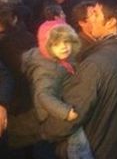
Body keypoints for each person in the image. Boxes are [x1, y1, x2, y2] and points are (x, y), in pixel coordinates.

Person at [40, 0, 117, 158]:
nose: (91, 18)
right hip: (115, 144)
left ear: (112, 22)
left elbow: (72, 114)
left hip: (94, 148)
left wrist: (46, 130)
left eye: (96, 14)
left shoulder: (96, 63)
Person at [21, 21, 93, 158]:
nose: (64, 47)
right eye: (56, 44)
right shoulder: (47, 70)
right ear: (46, 46)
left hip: (63, 101)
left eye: (66, 41)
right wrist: (65, 112)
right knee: (77, 139)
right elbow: (43, 95)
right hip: (55, 112)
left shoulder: (61, 60)